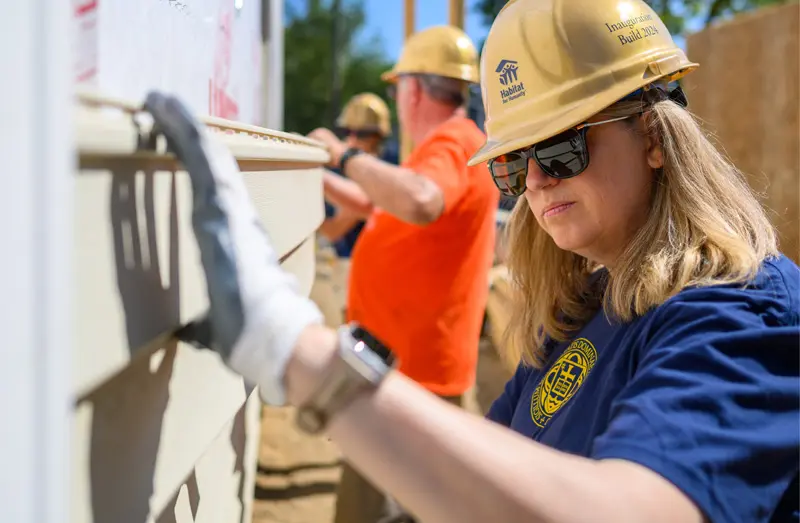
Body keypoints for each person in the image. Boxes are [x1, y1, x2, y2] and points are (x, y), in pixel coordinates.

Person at [144, 1, 799, 521]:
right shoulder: (583, 312)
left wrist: (292, 348)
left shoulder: (744, 316)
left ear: (653, 137)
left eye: (563, 148)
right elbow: (503, 466)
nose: (536, 180)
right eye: (514, 163)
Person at [307, 25, 499, 523]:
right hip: (405, 363)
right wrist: (324, 170)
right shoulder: (446, 147)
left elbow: (418, 200)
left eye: (398, 88)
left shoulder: (450, 144)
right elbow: (380, 204)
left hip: (411, 369)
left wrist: (342, 155)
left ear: (412, 88)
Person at [311, 93, 392, 326]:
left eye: (362, 134)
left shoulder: (387, 171)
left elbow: (337, 227)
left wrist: (316, 176)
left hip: (371, 273)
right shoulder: (355, 172)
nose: (354, 140)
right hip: (353, 270)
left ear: (378, 137)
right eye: (349, 132)